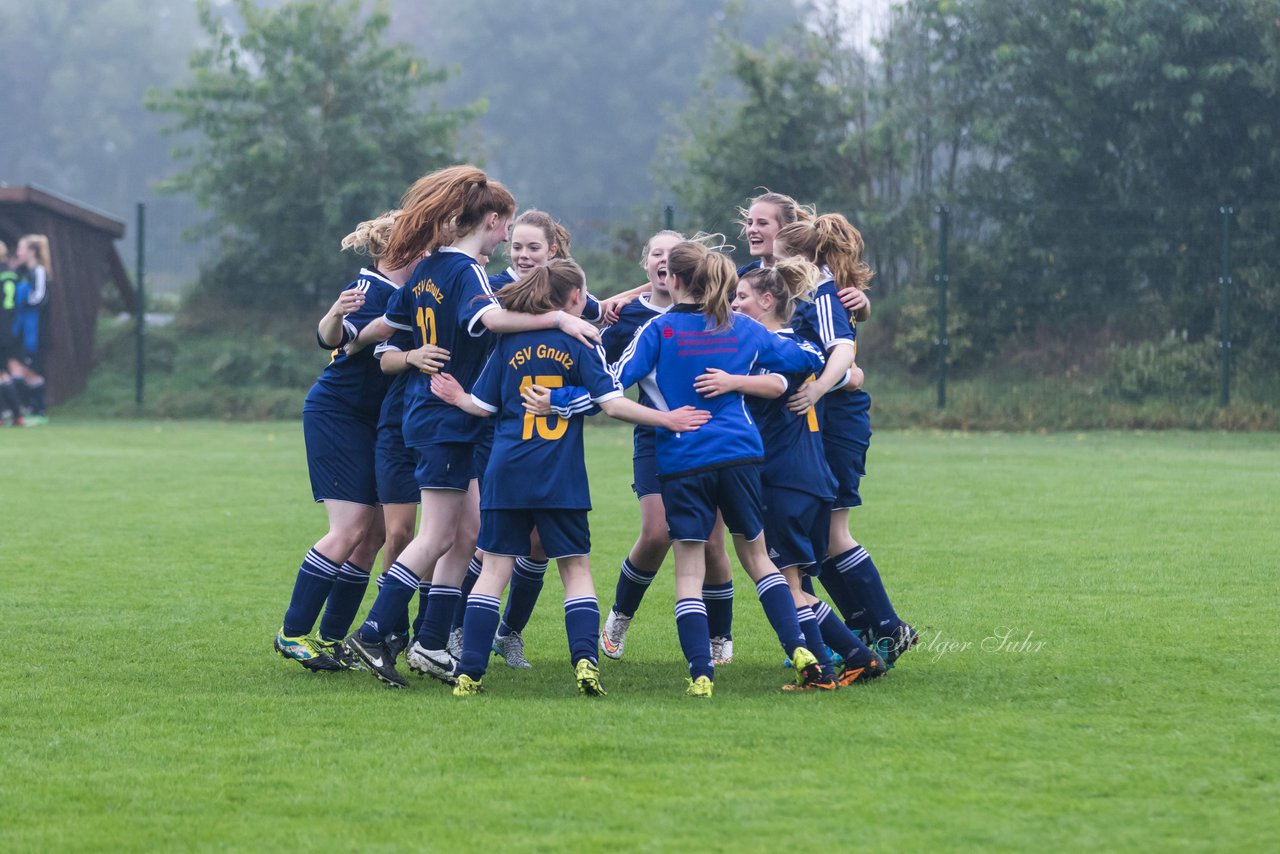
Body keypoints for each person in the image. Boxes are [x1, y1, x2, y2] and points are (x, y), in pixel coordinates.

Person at [339, 165, 600, 689]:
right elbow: (491, 321)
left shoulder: (427, 267)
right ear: (494, 220)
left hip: (438, 416)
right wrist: (558, 320)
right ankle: (374, 632)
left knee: (468, 534)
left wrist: (345, 337)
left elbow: (390, 325)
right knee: (438, 534)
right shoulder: (464, 271)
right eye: (507, 228)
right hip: (444, 418)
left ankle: (431, 643)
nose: (509, 240)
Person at [429, 258, 710, 696]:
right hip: (560, 476)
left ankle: (469, 672)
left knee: (494, 571)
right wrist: (666, 418)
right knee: (575, 569)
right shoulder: (582, 340)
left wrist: (456, 395)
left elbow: (481, 408)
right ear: (576, 297)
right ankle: (585, 663)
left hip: (506, 472)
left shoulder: (507, 342)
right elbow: (613, 403)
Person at [608, 239, 827, 697]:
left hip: (685, 460)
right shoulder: (742, 327)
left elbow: (610, 385)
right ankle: (800, 648)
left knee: (689, 572)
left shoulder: (658, 332)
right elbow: (808, 357)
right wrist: (787, 373)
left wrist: (562, 398)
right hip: (742, 455)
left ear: (674, 280)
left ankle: (701, 673)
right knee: (759, 559)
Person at [701, 260, 888, 688]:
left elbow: (777, 386)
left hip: (783, 479)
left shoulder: (776, 346)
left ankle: (820, 671)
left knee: (783, 583)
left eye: (742, 297)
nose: (734, 303)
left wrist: (731, 381)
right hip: (809, 478)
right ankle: (861, 657)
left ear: (768, 301)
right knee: (793, 581)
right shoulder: (795, 343)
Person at [578, 230, 737, 664]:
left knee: (710, 540)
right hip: (656, 433)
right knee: (658, 531)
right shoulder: (627, 316)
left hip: (711, 436)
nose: (664, 263)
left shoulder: (718, 312)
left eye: (673, 255)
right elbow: (603, 374)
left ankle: (719, 637)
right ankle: (621, 615)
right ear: (646, 264)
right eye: (656, 255)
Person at [774, 213, 917, 664]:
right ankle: (855, 629)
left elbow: (842, 352)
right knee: (814, 537)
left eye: (763, 225)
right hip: (816, 420)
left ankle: (889, 627)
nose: (752, 232)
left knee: (833, 533)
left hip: (836, 420)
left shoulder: (822, 292)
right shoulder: (787, 287)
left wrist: (825, 383)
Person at [274, 211, 409, 672]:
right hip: (338, 414)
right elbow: (330, 338)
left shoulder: (402, 292)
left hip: (370, 420)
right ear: (400, 250)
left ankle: (331, 638)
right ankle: (292, 634)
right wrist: (335, 315)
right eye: (424, 244)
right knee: (350, 528)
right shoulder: (373, 289)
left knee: (371, 535)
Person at [10, 234, 51, 424]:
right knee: (21, 367)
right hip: (23, 329)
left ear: (31, 251)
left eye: (21, 248)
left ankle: (39, 411)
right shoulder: (24, 272)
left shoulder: (39, 271)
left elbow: (39, 297)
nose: (18, 253)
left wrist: (22, 302)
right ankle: (27, 408)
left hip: (35, 330)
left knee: (31, 368)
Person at [737, 192, 814, 276]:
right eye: (750, 223)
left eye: (762, 223)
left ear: (786, 228)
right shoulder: (741, 276)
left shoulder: (811, 280)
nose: (752, 229)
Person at [0, 242, 27, 425]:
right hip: (8, 328)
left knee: (2, 372)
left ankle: (17, 414)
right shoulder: (12, 275)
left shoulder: (4, 276)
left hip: (2, 328)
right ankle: (13, 414)